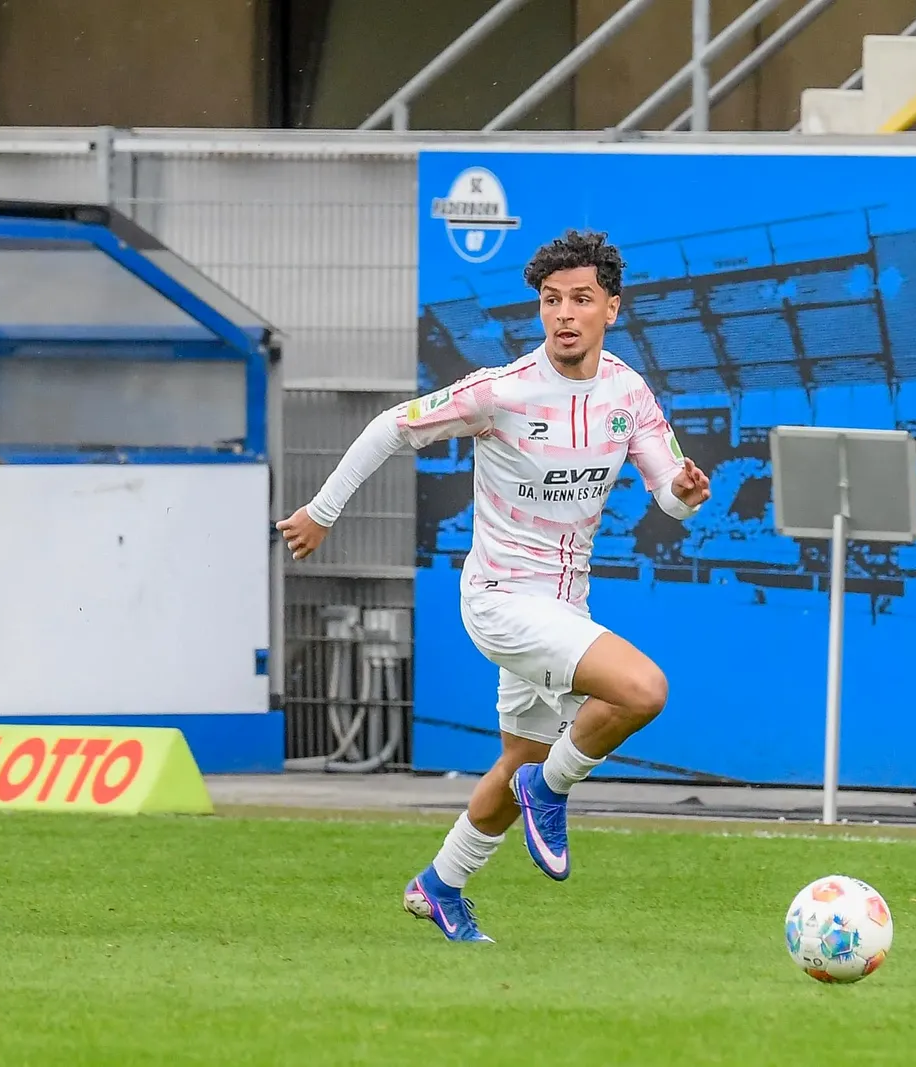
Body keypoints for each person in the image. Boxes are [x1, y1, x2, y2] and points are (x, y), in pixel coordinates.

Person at [277, 230, 712, 942]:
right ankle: (549, 788)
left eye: (581, 299)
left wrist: (686, 494)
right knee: (641, 690)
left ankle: (439, 886)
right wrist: (321, 512)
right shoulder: (501, 392)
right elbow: (392, 426)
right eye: (551, 300)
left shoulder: (628, 392)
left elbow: (669, 490)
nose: (564, 314)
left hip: (565, 607)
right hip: (501, 601)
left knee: (520, 757)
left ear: (612, 308)